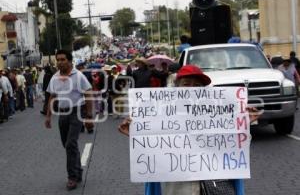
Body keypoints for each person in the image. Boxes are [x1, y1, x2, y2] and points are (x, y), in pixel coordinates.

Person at [119, 65, 260, 195]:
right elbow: (154, 155)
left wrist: (244, 125)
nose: (192, 89)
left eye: (197, 86)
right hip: (180, 190)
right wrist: (137, 135)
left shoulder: (217, 116)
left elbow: (234, 149)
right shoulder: (162, 119)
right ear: (176, 88)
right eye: (186, 84)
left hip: (216, 189)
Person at [44, 50, 94, 191]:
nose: (60, 62)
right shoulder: (54, 77)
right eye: (58, 60)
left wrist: (89, 117)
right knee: (67, 145)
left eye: (63, 59)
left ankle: (72, 177)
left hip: (77, 112)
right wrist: (48, 116)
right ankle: (77, 171)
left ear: (69, 61)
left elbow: (88, 94)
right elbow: (52, 97)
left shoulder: (78, 76)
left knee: (71, 143)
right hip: (63, 113)